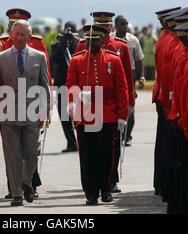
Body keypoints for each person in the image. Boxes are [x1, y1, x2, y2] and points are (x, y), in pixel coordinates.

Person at [0, 8, 49, 200]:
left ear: (27, 33)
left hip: (31, 107)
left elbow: (45, 76)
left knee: (30, 151)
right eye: (12, 26)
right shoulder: (0, 46)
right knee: (12, 153)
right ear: (10, 29)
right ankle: (15, 189)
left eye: (20, 29)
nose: (16, 33)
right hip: (8, 107)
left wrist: (46, 106)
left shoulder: (37, 44)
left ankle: (29, 184)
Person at [66, 24, 129, 205]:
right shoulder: (77, 60)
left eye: (95, 40)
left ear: (103, 42)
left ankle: (106, 188)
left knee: (105, 154)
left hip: (107, 114)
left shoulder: (114, 60)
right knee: (87, 155)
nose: (90, 44)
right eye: (88, 40)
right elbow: (70, 85)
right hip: (84, 115)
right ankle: (90, 192)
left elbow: (121, 88)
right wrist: (77, 96)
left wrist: (122, 115)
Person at [114, 15, 145, 147]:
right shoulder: (109, 38)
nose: (125, 26)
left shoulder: (133, 40)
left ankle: (127, 135)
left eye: (126, 23)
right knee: (115, 104)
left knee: (129, 105)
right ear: (116, 25)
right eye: (122, 23)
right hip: (114, 74)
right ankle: (116, 134)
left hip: (129, 74)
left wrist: (141, 77)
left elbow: (139, 60)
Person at [50, 21, 79, 153]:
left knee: (78, 115)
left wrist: (73, 41)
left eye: (71, 30)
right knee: (64, 116)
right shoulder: (56, 45)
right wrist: (63, 43)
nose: (68, 33)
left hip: (76, 86)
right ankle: (71, 143)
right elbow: (55, 58)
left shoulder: (79, 45)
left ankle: (81, 142)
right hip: (62, 84)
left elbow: (77, 58)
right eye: (67, 30)